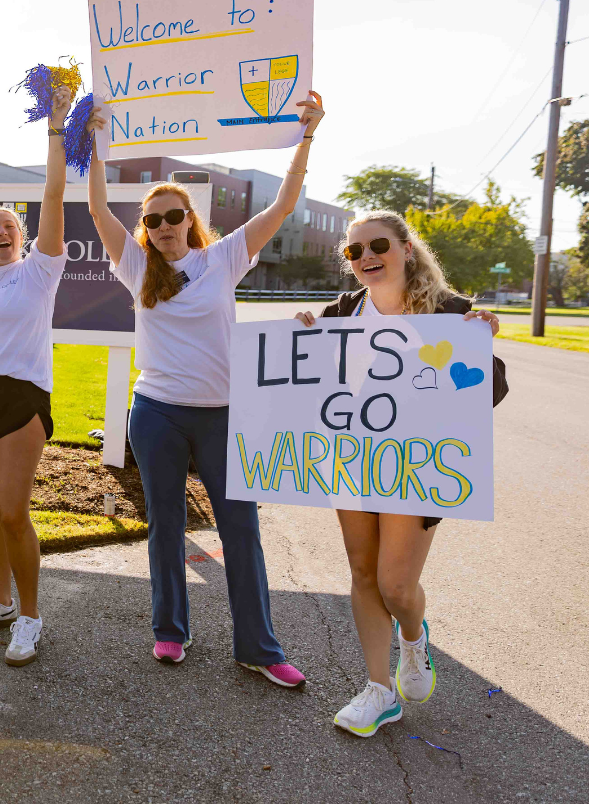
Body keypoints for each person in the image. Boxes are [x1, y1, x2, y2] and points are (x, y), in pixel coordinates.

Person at [86, 91, 326, 689]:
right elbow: (95, 209)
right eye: (153, 220)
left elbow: (285, 202)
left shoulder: (225, 257)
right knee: (165, 524)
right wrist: (93, 140)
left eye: (174, 216)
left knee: (240, 530)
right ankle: (170, 630)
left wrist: (307, 136)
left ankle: (260, 648)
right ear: (145, 228)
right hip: (157, 413)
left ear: (190, 220)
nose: (164, 226)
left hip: (223, 414)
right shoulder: (136, 267)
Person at [293, 210, 507, 736]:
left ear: (407, 249)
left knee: (396, 583)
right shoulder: (341, 313)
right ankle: (378, 690)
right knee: (363, 573)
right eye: (354, 251)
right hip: (350, 461)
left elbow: (488, 391)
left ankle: (413, 638)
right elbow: (305, 382)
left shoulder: (450, 314)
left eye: (378, 246)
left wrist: (481, 348)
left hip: (414, 467)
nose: (367, 257)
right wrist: (300, 336)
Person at [0, 86, 76, 666]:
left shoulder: (38, 274)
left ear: (21, 236)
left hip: (21, 398)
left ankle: (29, 616)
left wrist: (55, 125)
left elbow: (54, 191)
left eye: (8, 227)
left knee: (11, 511)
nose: (1, 233)